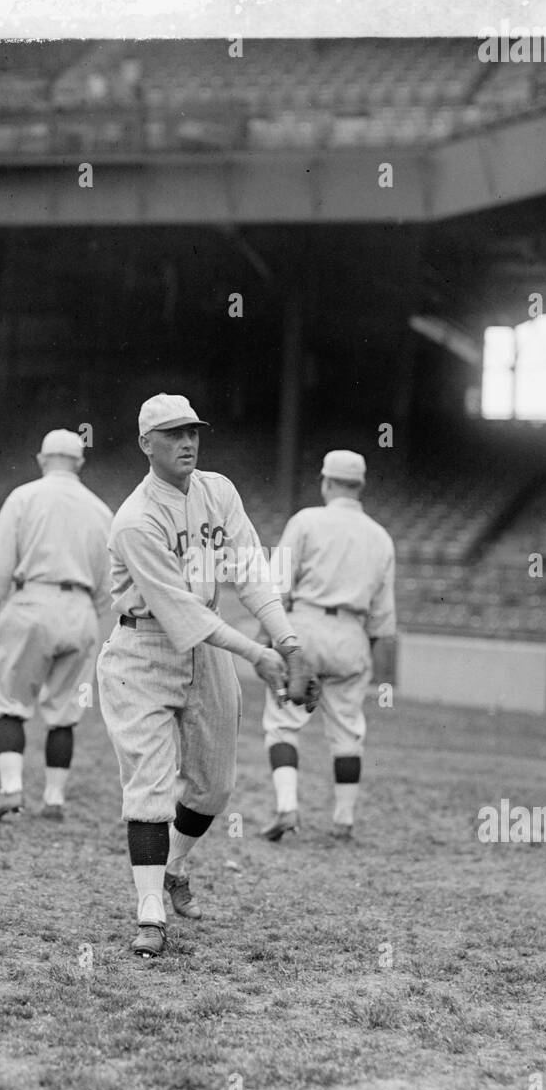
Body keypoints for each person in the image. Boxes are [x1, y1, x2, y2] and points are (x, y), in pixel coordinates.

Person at [96, 393, 300, 958]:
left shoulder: (219, 490)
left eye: (193, 431)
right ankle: (149, 913)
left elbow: (250, 568)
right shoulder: (135, 519)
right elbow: (180, 613)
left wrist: (285, 638)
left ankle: (175, 869)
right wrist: (258, 655)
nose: (187, 442)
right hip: (142, 650)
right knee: (151, 787)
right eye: (172, 434)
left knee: (214, 787)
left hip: (208, 649)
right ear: (146, 444)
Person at [0, 429, 112, 823]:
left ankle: (12, 790)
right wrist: (85, 611)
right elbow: (110, 581)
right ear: (80, 463)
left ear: (42, 459)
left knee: (9, 702)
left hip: (32, 600)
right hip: (82, 609)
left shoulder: (25, 496)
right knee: (65, 711)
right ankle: (54, 799)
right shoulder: (101, 510)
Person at [260, 450, 396, 842]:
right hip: (352, 632)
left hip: (303, 624)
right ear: (361, 486)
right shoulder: (380, 536)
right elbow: (382, 618)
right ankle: (343, 820)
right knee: (348, 731)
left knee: (283, 723)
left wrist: (271, 641)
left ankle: (287, 808)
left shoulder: (306, 520)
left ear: (326, 481)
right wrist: (358, 649)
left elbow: (275, 588)